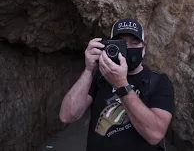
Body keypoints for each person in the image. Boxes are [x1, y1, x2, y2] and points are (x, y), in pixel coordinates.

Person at [59, 18, 175, 151]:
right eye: (121, 43)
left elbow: (155, 135)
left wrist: (121, 85)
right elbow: (67, 115)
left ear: (144, 48)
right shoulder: (99, 76)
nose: (128, 48)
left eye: (135, 43)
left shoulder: (159, 82)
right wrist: (88, 70)